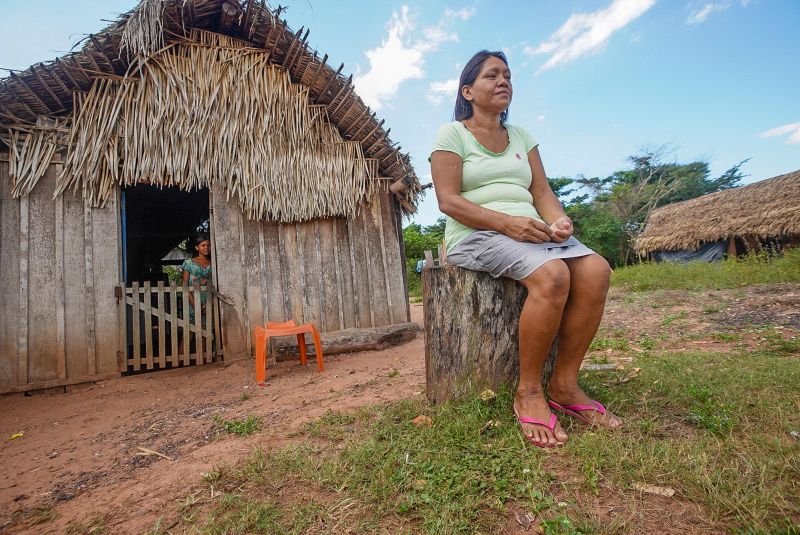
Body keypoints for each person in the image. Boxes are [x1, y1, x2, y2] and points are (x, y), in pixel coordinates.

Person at [429, 50, 623, 448]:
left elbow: (541, 191)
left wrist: (558, 222)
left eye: (508, 75)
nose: (503, 81)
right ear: (468, 90)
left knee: (596, 269)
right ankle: (529, 391)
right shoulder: (452, 135)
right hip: (477, 234)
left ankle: (566, 386)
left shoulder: (522, 137)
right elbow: (448, 201)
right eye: (492, 76)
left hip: (529, 231)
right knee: (553, 276)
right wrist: (507, 223)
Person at [181, 234, 212, 323]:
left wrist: (209, 304)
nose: (206, 248)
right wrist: (193, 303)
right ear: (197, 247)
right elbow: (184, 284)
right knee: (190, 330)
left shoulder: (213, 262)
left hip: (209, 299)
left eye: (208, 245)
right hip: (192, 298)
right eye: (203, 245)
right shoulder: (189, 263)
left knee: (207, 329)